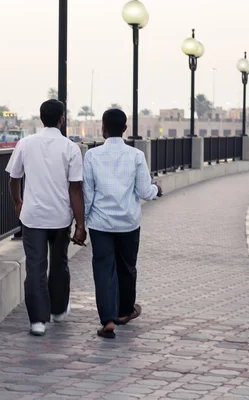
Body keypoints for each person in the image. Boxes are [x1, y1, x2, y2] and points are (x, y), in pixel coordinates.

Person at [5, 99, 86, 336]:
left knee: (35, 267)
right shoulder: (71, 148)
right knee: (59, 263)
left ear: (42, 119)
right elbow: (75, 189)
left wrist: (18, 202)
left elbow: (14, 179)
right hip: (61, 216)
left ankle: (37, 321)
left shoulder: (25, 143)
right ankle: (58, 311)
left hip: (33, 217)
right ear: (62, 120)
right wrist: (80, 224)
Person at [83, 108, 162, 339]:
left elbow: (87, 193)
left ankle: (108, 320)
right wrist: (157, 189)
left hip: (100, 223)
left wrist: (81, 224)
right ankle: (125, 311)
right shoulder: (136, 156)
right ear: (125, 129)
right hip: (128, 222)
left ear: (103, 128)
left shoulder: (92, 155)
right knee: (126, 268)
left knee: (103, 270)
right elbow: (145, 192)